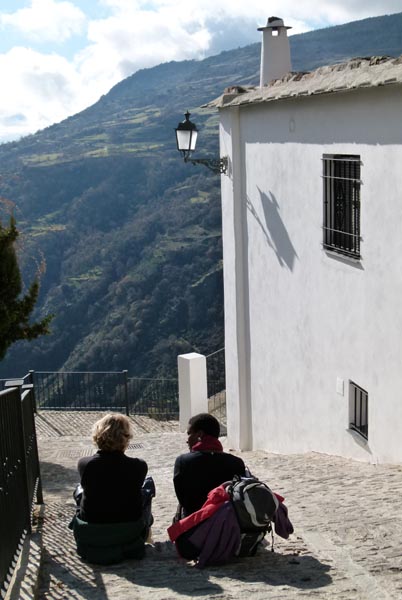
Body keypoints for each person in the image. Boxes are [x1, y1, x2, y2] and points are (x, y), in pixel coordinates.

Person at [69, 413, 155, 564]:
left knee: (80, 490)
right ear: (126, 438)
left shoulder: (85, 464)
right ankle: (147, 536)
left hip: (92, 532)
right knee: (146, 489)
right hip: (129, 532)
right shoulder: (139, 465)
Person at [173, 413, 246, 519]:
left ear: (199, 435)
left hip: (195, 523)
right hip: (228, 522)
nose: (187, 440)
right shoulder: (236, 463)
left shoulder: (183, 462)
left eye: (189, 434)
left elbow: (183, 500)